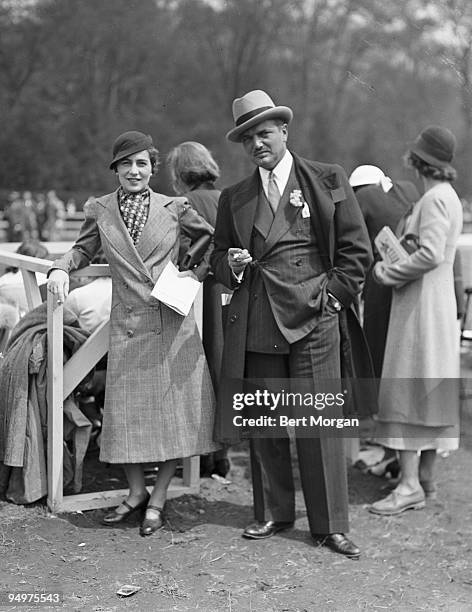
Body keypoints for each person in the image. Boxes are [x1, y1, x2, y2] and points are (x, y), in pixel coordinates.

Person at [211, 90, 373, 558]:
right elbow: (217, 256)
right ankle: (273, 513)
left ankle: (329, 525)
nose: (257, 144)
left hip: (314, 320)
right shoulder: (234, 197)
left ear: (284, 130)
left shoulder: (327, 179)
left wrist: (334, 301)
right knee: (265, 424)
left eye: (264, 133)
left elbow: (355, 251)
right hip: (259, 321)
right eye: (248, 139)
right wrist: (233, 264)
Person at [47, 130, 219, 536]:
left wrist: (190, 276)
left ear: (152, 169)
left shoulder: (174, 207)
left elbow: (210, 240)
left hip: (170, 325)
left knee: (172, 419)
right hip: (127, 326)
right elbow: (82, 250)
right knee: (124, 418)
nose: (134, 171)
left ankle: (158, 500)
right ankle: (136, 492)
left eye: (142, 163)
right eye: (126, 164)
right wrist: (59, 267)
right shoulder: (101, 210)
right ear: (116, 169)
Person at [369, 125, 463, 515]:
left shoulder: (435, 199)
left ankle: (408, 486)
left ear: (418, 160)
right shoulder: (446, 197)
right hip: (435, 305)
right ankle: (425, 478)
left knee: (408, 387)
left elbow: (431, 254)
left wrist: (387, 273)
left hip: (421, 307)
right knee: (429, 386)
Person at [167, 141, 230, 478]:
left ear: (179, 174)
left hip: (196, 291)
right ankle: (221, 456)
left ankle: (200, 456)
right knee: (222, 368)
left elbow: (178, 252)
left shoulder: (183, 204)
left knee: (194, 371)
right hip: (227, 291)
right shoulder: (228, 199)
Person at [349, 166, 419, 378]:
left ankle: (375, 397)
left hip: (381, 276)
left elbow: (357, 243)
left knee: (377, 338)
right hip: (414, 272)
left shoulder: (363, 197)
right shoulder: (409, 190)